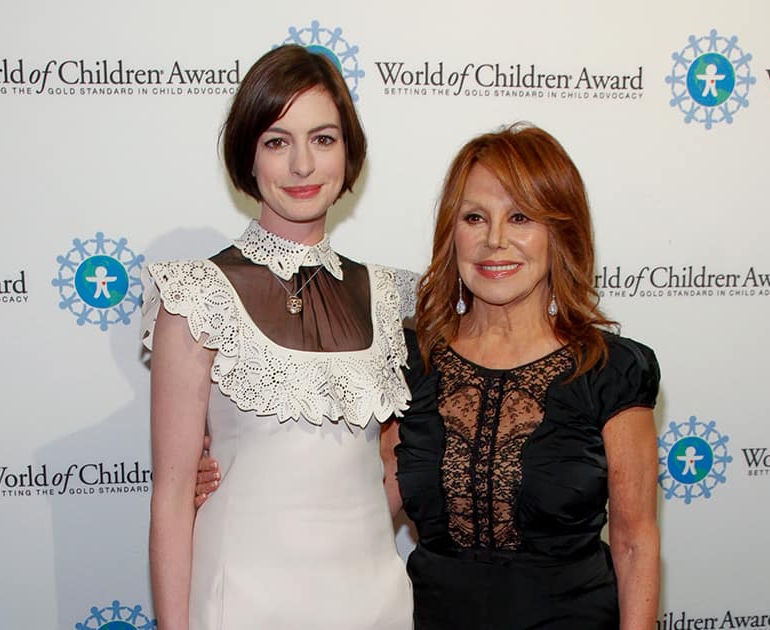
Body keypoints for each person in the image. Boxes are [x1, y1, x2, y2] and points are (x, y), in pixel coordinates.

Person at [197, 123, 660, 629]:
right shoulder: (411, 359)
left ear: (559, 234)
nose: (495, 240)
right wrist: (245, 480)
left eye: (521, 217)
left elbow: (635, 543)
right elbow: (363, 499)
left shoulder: (609, 368)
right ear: (451, 232)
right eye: (475, 217)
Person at [145, 45, 415, 630]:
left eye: (323, 139)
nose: (302, 166)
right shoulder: (195, 293)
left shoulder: (390, 296)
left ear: (349, 152)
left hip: (373, 599)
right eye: (276, 140)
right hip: (242, 600)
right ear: (249, 155)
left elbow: (395, 461)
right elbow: (170, 496)